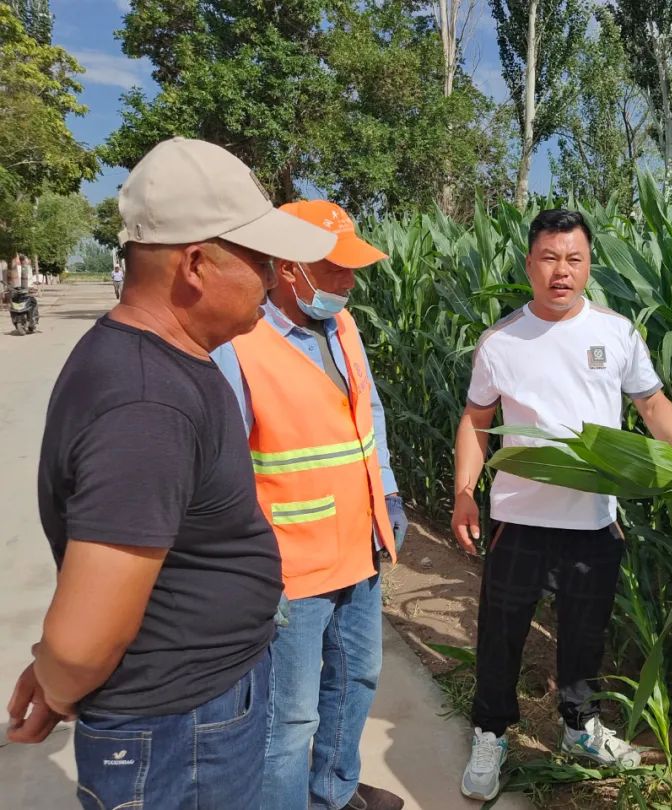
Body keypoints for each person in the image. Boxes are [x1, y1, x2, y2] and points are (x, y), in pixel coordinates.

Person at [5, 137, 336, 810]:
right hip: (179, 736)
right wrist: (62, 676)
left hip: (190, 717)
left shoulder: (158, 360)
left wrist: (59, 664)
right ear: (195, 264)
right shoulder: (147, 404)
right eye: (260, 261)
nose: (272, 280)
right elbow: (81, 643)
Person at [452, 209, 672, 802]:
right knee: (500, 633)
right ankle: (491, 732)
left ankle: (580, 728)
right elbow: (476, 418)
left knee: (585, 634)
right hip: (518, 518)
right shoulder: (501, 341)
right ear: (529, 264)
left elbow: (652, 404)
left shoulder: (615, 333)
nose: (561, 271)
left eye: (574, 259)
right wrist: (464, 493)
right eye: (549, 258)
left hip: (594, 520)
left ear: (589, 265)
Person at [212, 199, 407, 810]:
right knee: (290, 717)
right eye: (333, 268)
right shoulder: (238, 345)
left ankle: (333, 794)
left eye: (351, 268)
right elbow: (223, 466)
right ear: (286, 267)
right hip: (291, 564)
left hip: (360, 544)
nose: (348, 281)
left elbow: (368, 409)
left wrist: (389, 490)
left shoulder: (342, 324)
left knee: (356, 681)